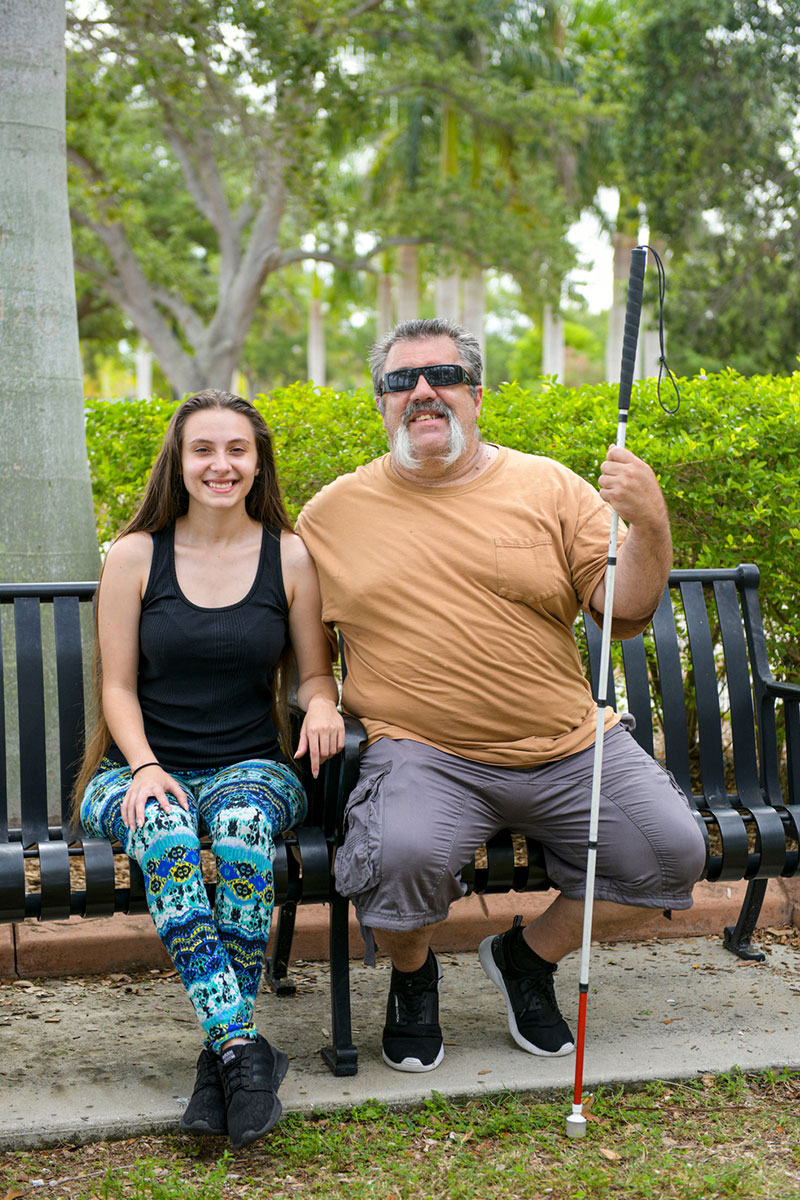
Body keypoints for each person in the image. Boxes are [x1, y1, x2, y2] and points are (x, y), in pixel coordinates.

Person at [295, 317, 706, 1074]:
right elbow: (305, 649)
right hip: (425, 754)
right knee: (397, 861)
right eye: (400, 381)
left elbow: (627, 610)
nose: (422, 393)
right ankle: (415, 978)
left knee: (670, 854)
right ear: (380, 403)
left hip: (569, 745)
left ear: (476, 395)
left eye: (443, 377)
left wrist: (649, 523)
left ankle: (524, 958)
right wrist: (319, 693)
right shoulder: (328, 517)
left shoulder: (547, 485)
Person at [73, 389, 344, 1148]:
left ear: (257, 464)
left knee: (239, 822)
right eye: (203, 450)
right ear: (179, 462)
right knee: (160, 823)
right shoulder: (135, 556)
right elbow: (117, 688)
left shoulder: (287, 555)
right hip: (139, 766)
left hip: (250, 766)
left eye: (236, 450)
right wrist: (146, 766)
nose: (220, 465)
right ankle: (239, 1051)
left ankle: (222, 1052)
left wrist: (323, 705)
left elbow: (314, 676)